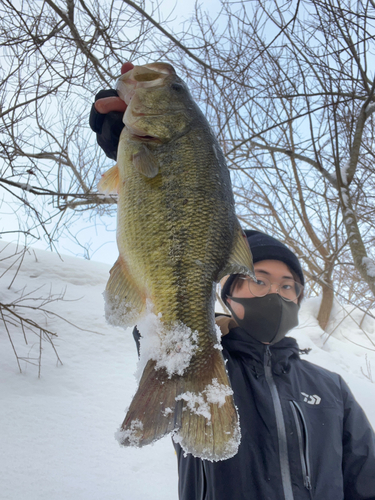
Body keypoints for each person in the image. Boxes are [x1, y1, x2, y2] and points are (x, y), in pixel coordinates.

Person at [90, 65, 375, 500]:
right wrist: (127, 151)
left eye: (288, 286)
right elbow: (154, 318)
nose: (275, 293)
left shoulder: (331, 389)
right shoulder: (203, 358)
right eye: (259, 279)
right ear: (228, 289)